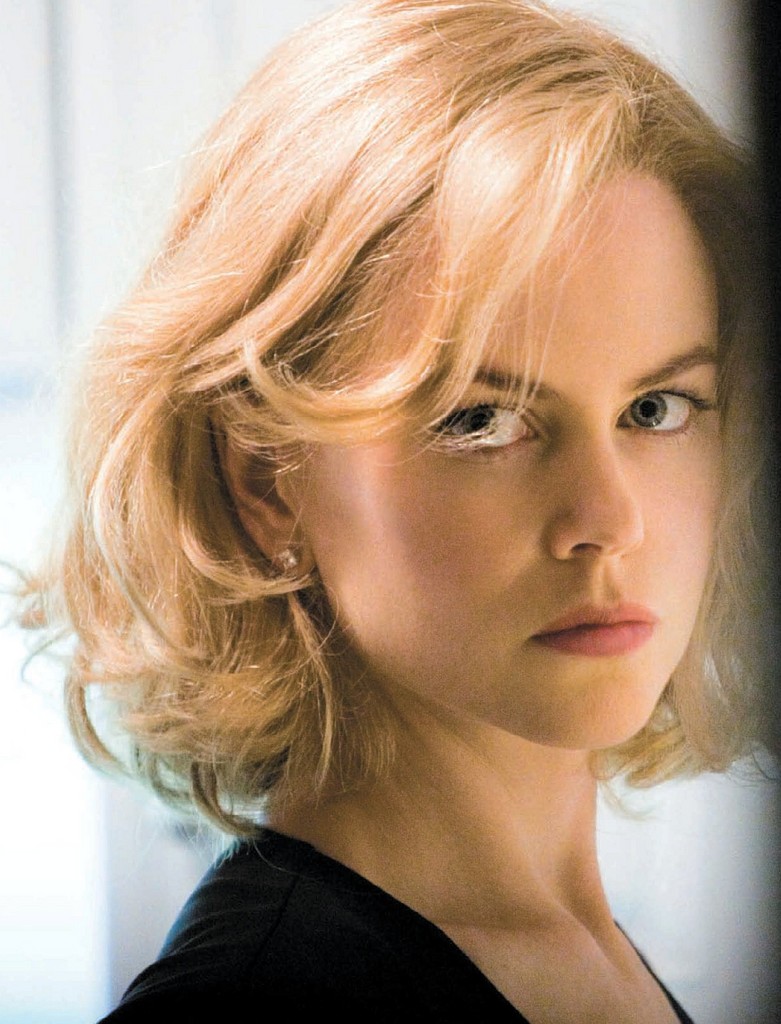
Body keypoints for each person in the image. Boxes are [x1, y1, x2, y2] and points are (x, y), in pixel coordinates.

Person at [23, 0, 771, 1020]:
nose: (608, 519)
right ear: (265, 483)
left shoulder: (583, 954)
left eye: (656, 408)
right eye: (482, 420)